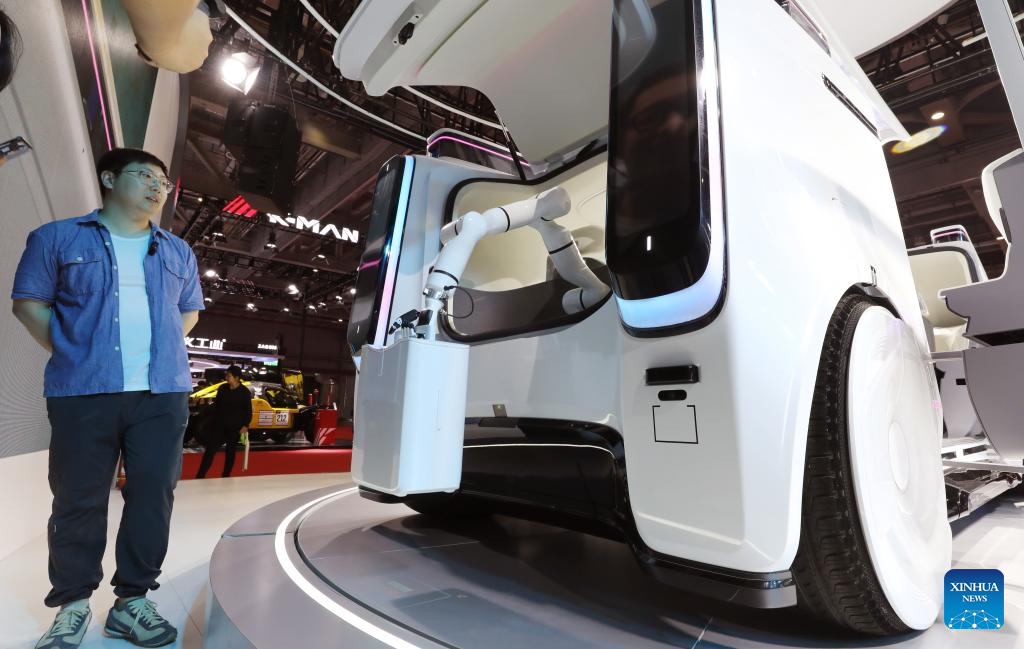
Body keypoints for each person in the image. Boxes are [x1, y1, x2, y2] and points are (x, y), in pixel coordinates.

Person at [12, 148, 204, 648]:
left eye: (163, 181)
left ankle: (132, 601)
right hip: (83, 392)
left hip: (162, 393)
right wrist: (76, 351)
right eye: (145, 176)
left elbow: (188, 311)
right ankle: (73, 604)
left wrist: (160, 352)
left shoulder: (178, 251)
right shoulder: (57, 238)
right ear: (109, 178)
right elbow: (28, 303)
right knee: (78, 497)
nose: (157, 187)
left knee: (153, 496)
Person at [195, 365, 252, 479]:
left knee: (230, 452)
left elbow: (248, 410)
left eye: (229, 376)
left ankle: (226, 475)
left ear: (236, 377)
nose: (226, 378)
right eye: (227, 375)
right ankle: (200, 475)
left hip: (235, 428)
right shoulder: (222, 388)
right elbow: (216, 406)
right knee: (210, 450)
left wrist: (245, 425)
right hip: (219, 426)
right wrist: (205, 412)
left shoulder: (244, 392)